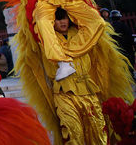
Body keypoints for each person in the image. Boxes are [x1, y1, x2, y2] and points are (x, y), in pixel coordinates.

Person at [42, 8, 106, 144]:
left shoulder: (81, 34)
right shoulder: (47, 39)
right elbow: (41, 21)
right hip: (63, 91)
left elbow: (98, 22)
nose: (62, 22)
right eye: (58, 19)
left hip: (87, 89)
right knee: (72, 131)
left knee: (97, 129)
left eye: (64, 18)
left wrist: (68, 2)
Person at [110, 10, 136, 75]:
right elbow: (129, 35)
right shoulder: (123, 25)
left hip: (116, 46)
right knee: (129, 60)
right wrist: (133, 44)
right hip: (126, 46)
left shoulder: (110, 26)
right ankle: (130, 74)